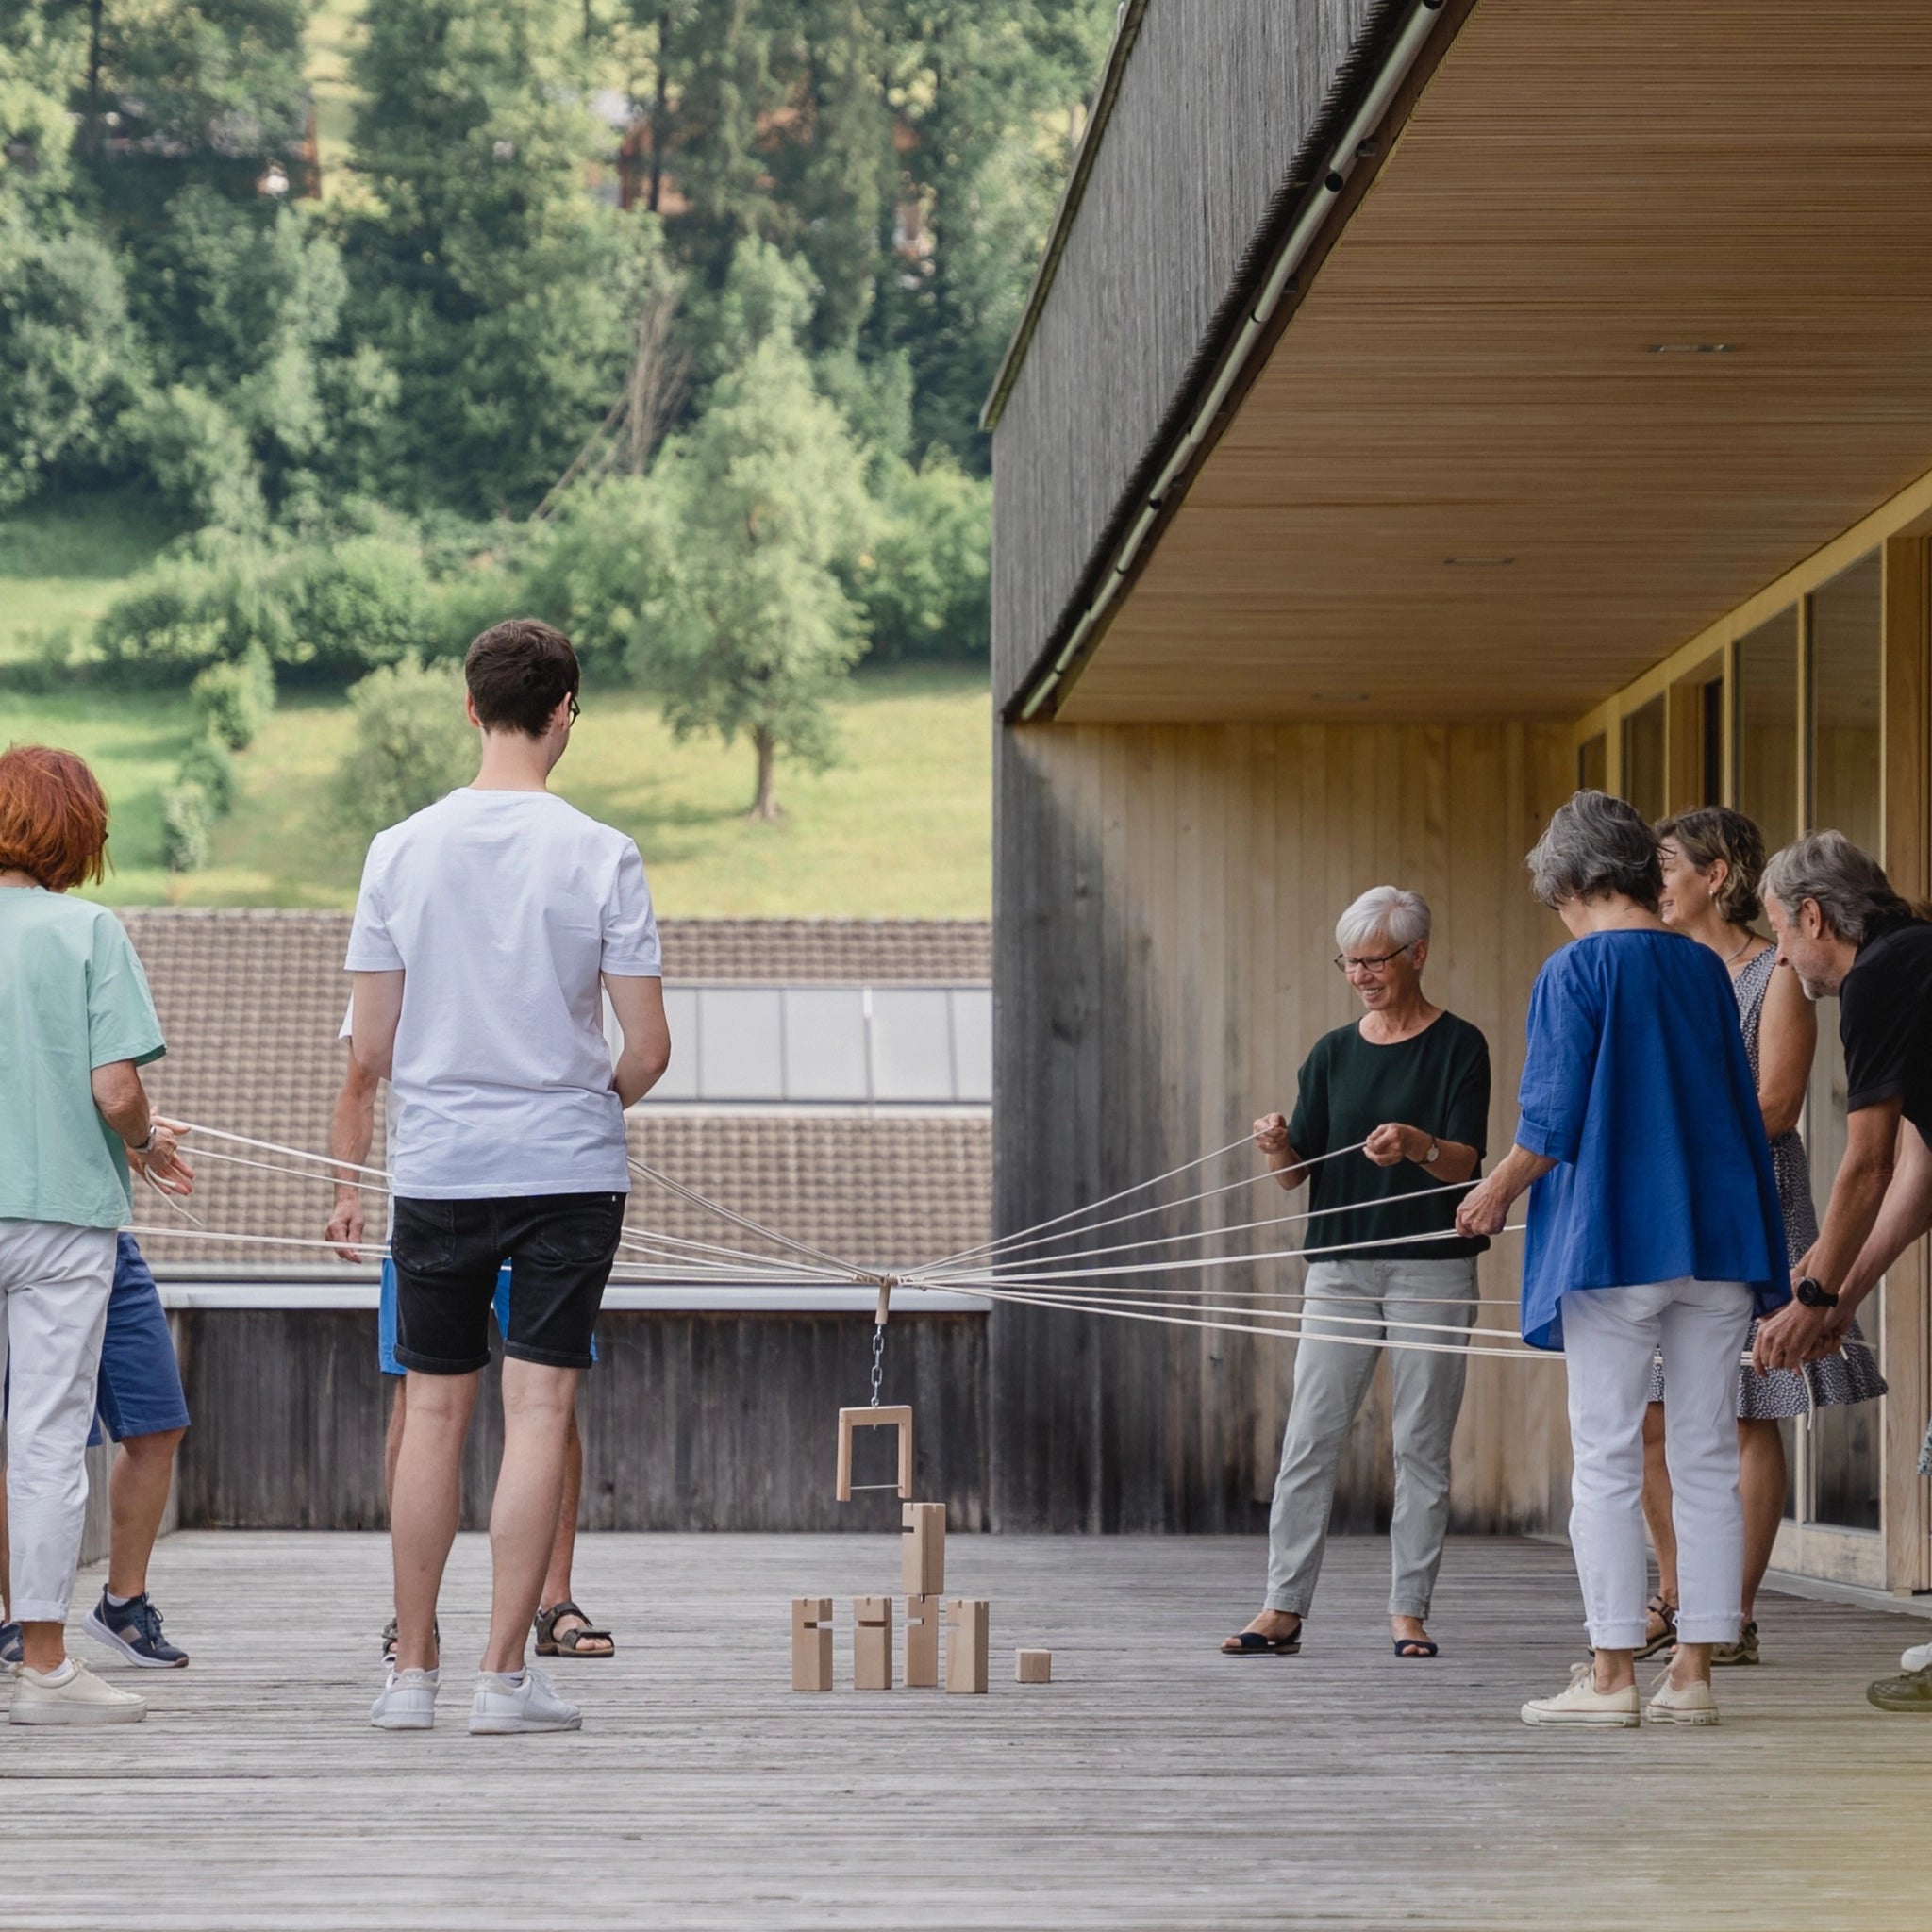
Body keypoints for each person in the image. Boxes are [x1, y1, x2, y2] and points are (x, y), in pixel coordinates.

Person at [350, 620, 670, 1736]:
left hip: (438, 1163)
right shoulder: (602, 852)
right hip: (567, 1169)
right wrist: (581, 1100)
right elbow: (648, 1047)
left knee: (431, 1413)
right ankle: (501, 1678)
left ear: (470, 707)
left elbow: (373, 1041)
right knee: (540, 1408)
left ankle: (410, 1677)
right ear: (565, 710)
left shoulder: (398, 848)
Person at [1457, 791, 1788, 1729]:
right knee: (1702, 1454)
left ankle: (1608, 1677)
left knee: (1603, 1456)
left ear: (1574, 880)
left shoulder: (1576, 968)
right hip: (1716, 1239)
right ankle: (1690, 1673)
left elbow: (1549, 1116)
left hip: (1613, 1239)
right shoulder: (1701, 969)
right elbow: (1733, 1104)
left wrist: (1493, 1191)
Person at [1635, 809, 1884, 1668]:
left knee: (1745, 1408)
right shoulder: (1657, 969)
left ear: (1714, 875)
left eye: (1663, 865)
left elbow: (1777, 1106)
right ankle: (1676, 1596)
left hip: (1751, 1209)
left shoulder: (1770, 968)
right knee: (1653, 1418)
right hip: (1667, 1218)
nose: (1652, 882)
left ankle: (1731, 1615)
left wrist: (1660, 1134)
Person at [1223, 886, 1491, 1662]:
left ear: (1418, 955)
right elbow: (1294, 1176)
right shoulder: (1332, 1053)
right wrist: (1276, 1144)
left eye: (1375, 959)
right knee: (1311, 1437)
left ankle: (1409, 1612)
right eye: (1349, 961)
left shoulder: (1460, 1046)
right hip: (1338, 1269)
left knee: (1420, 1444)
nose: (1362, 975)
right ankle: (1282, 1607)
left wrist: (1416, 1145)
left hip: (1431, 1269)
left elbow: (1467, 1165)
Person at [0, 744, 194, 1724]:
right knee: (42, 1439)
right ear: (75, 831)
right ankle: (44, 1665)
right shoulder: (86, 930)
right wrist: (150, 1141)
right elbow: (115, 1089)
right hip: (60, 1216)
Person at [327, 1040, 614, 1662]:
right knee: (419, 1398)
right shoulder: (409, 945)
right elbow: (359, 1086)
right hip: (438, 1188)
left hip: (542, 1190)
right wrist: (346, 1194)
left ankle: (552, 1600)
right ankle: (415, 1621)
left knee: (548, 1402)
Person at [1750, 831, 1932, 1713]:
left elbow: (1864, 1164)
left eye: (1781, 934)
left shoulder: (1881, 977)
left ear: (1813, 916)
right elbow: (1920, 1172)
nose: (1782, 954)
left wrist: (1815, 1292)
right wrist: (1837, 1295)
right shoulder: (1912, 959)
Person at [1, 1233, 193, 1672]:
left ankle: (122, 1605)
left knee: (159, 1424)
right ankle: (18, 1623)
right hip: (31, 1234)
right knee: (43, 1439)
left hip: (107, 1233)